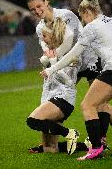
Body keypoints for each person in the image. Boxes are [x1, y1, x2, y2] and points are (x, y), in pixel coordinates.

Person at [40, 0, 112, 160]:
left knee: (87, 105)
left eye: (83, 17)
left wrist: (51, 69)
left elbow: (73, 53)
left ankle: (96, 148)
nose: (83, 21)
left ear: (87, 13)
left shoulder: (91, 27)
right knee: (101, 103)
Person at [26, 15, 81, 155]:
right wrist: (48, 62)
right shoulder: (52, 53)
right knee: (49, 149)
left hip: (63, 99)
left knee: (33, 121)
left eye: (45, 35)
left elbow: (69, 81)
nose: (42, 39)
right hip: (49, 99)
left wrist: (51, 63)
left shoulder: (71, 54)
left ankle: (70, 133)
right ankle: (87, 144)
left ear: (54, 36)